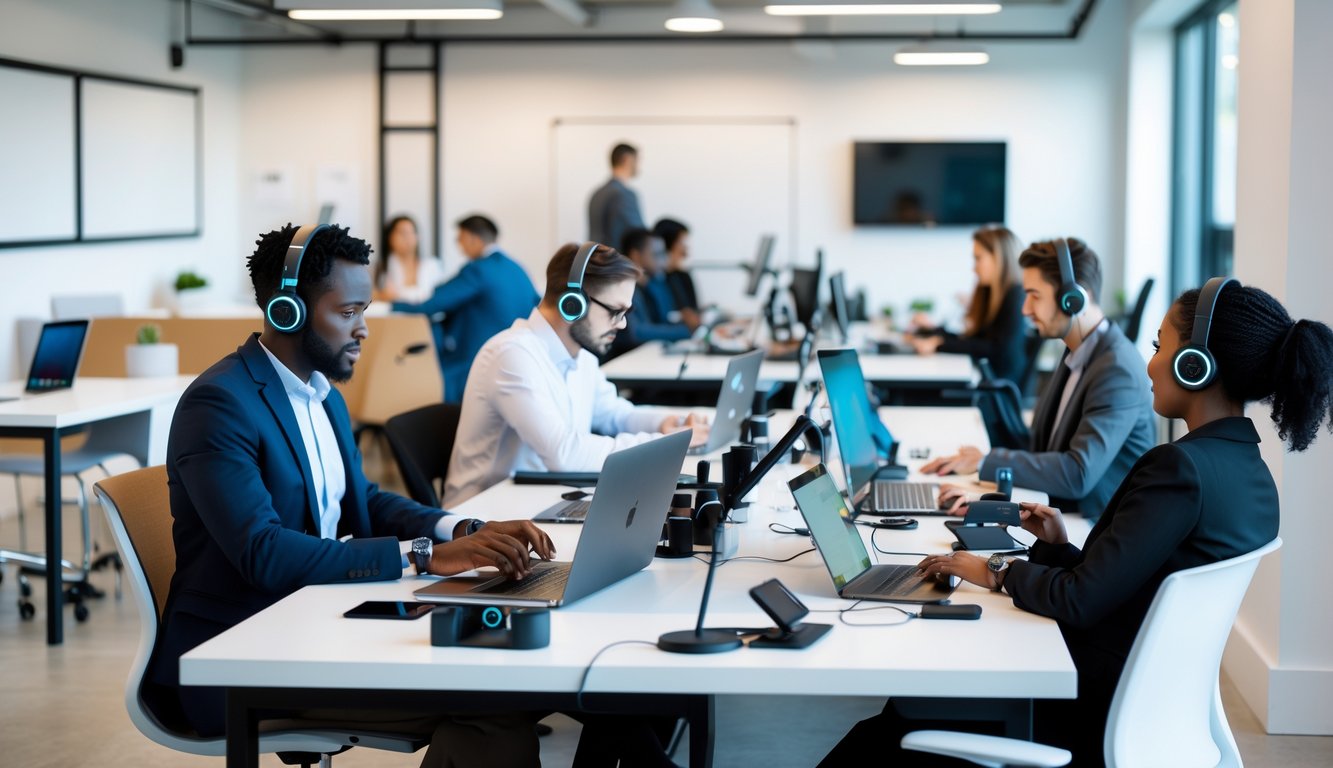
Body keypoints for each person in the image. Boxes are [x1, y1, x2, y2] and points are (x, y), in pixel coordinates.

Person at [827, 280, 1333, 767]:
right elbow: (1122, 585)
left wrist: (995, 570)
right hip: (1148, 706)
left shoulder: (1180, 470)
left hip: (1087, 707)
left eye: (1160, 346)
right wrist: (1056, 547)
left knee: (897, 720)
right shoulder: (1251, 473)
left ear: (1194, 365)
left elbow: (1079, 600)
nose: (1150, 363)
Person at [148, 223, 556, 766]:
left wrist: (462, 530)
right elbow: (263, 551)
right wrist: (424, 556)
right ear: (287, 312)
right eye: (348, 313)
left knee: (508, 674)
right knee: (493, 703)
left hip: (318, 618)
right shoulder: (220, 405)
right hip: (237, 654)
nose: (363, 329)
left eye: (364, 310)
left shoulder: (323, 393)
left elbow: (361, 500)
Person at [445, 241, 710, 506]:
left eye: (626, 312)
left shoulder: (580, 355)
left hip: (544, 500)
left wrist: (667, 424)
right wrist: (665, 445)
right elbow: (564, 454)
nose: (622, 324)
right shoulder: (512, 355)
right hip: (485, 516)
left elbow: (614, 413)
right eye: (615, 311)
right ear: (572, 303)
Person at [922, 238, 1155, 520]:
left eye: (1035, 295)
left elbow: (1077, 474)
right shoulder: (1077, 350)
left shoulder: (1117, 369)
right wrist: (984, 485)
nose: (1025, 309)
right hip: (1056, 510)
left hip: (1092, 526)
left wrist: (986, 463)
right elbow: (1043, 450)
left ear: (1073, 299)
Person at [391, 214, 538, 403]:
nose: (459, 246)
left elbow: (432, 305)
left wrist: (390, 304)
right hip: (517, 362)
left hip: (476, 361)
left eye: (460, 239)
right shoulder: (518, 269)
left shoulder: (478, 269)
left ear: (472, 238)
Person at [908, 225, 1028, 385]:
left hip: (997, 388)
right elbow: (973, 340)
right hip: (984, 379)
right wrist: (933, 331)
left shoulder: (1015, 296)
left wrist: (939, 344)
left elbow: (996, 348)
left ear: (999, 258)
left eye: (978, 258)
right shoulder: (990, 294)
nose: (974, 268)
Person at [607, 228, 698, 359]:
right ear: (636, 255)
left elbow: (664, 317)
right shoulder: (621, 287)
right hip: (622, 360)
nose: (663, 260)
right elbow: (635, 333)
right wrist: (687, 331)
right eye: (657, 254)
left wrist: (655, 283)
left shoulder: (650, 284)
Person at [373, 214, 444, 303]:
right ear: (389, 238)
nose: (408, 238)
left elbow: (440, 297)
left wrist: (394, 296)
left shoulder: (431, 266)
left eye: (412, 232)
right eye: (403, 233)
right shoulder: (380, 268)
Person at [588, 143, 645, 250]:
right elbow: (639, 237)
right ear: (627, 159)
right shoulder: (624, 195)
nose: (638, 166)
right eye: (637, 161)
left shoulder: (597, 193)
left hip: (595, 257)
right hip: (615, 258)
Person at [653, 217, 700, 316]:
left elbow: (694, 311)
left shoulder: (682, 276)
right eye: (682, 243)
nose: (686, 252)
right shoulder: (655, 281)